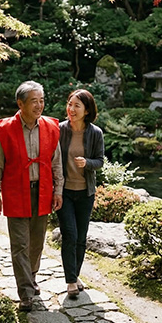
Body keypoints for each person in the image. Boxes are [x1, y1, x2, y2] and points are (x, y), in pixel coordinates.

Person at [0, 81, 63, 312]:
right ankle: (25, 293)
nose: (39, 105)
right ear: (20, 104)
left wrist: (58, 190)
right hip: (15, 191)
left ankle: (31, 277)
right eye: (34, 101)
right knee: (20, 244)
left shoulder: (51, 126)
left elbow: (56, 162)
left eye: (41, 100)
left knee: (37, 242)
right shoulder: (5, 129)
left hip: (42, 191)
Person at [57, 89, 104, 299]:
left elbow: (100, 162)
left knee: (81, 238)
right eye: (70, 104)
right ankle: (70, 282)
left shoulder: (95, 133)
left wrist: (87, 163)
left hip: (86, 193)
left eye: (77, 105)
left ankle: (74, 275)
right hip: (64, 192)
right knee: (70, 235)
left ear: (87, 110)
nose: (71, 109)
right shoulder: (59, 130)